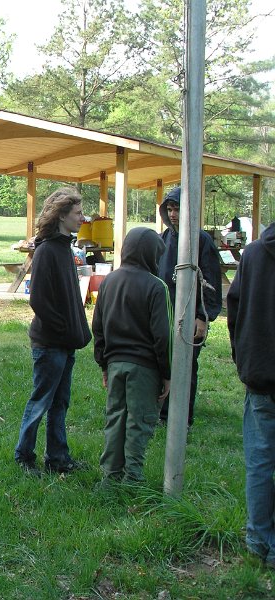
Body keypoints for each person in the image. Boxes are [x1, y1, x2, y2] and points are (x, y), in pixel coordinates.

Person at [15, 187, 92, 476]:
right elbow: (39, 300)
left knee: (60, 403)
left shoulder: (64, 248)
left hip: (65, 342)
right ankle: (24, 456)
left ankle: (58, 458)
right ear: (61, 216)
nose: (82, 218)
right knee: (41, 401)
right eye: (77, 213)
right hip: (50, 344)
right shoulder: (47, 250)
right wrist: (62, 329)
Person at [92, 228, 172, 483]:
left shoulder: (109, 281)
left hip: (115, 364)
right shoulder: (157, 286)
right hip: (145, 369)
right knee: (140, 422)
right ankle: (133, 479)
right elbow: (163, 336)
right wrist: (167, 374)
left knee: (115, 418)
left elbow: (98, 327)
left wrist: (104, 364)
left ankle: (109, 477)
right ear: (152, 254)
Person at [228, 222, 275, 569]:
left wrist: (243, 357)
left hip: (259, 371)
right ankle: (261, 540)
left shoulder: (254, 252)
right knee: (259, 461)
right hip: (259, 373)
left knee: (259, 462)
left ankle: (259, 539)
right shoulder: (255, 252)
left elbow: (234, 309)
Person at [157, 186, 222, 427]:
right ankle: (162, 412)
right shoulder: (163, 238)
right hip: (165, 313)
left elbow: (211, 282)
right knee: (163, 363)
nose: (173, 214)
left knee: (186, 366)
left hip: (190, 315)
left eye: (177, 209)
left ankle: (182, 417)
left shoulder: (201, 240)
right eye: (169, 209)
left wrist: (203, 317)